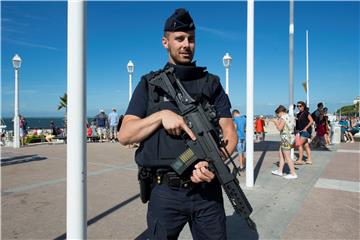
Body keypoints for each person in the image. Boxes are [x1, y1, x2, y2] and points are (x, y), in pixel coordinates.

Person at [118, 8, 237, 239]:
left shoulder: (211, 84)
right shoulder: (149, 85)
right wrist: (160, 116)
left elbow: (230, 133)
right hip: (165, 193)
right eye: (179, 39)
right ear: (165, 42)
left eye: (191, 39)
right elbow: (125, 135)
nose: (186, 45)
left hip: (207, 193)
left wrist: (212, 166)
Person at [271, 105, 297, 179]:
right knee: (281, 154)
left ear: (280, 112)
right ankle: (280, 171)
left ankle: (293, 173)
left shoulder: (283, 118)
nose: (277, 116)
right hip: (290, 137)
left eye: (277, 114)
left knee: (287, 156)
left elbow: (280, 128)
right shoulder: (291, 116)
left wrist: (275, 122)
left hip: (286, 139)